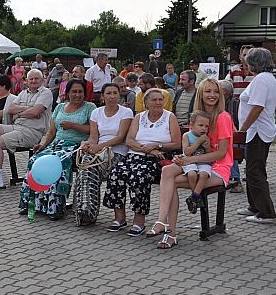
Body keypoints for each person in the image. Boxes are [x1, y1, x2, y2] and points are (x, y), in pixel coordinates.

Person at [151, 78, 234, 248]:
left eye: (216, 91)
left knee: (172, 182)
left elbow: (221, 153)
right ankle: (161, 221)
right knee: (167, 170)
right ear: (201, 94)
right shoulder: (198, 116)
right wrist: (181, 158)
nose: (212, 95)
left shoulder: (223, 117)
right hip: (197, 162)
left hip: (218, 167)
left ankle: (171, 233)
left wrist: (190, 159)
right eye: (208, 91)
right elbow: (190, 145)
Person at [103, 88, 181, 236]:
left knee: (138, 176)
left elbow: (177, 143)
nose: (158, 102)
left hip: (157, 159)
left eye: (160, 99)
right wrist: (148, 149)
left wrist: (157, 145)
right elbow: (129, 140)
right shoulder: (139, 117)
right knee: (116, 173)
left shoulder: (169, 117)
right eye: (154, 100)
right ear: (146, 103)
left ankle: (139, 221)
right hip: (135, 155)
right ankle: (120, 218)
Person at [17, 78, 95, 219]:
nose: (77, 95)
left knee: (58, 162)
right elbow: (51, 131)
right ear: (67, 93)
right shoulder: (60, 107)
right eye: (74, 92)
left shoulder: (90, 107)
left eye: (80, 92)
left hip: (75, 146)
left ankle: (55, 206)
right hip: (56, 144)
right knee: (35, 159)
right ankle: (31, 203)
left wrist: (73, 126)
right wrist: (42, 145)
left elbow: (93, 130)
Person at [0, 69, 53, 190]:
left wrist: (19, 113)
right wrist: (28, 109)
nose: (33, 81)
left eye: (36, 79)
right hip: (17, 126)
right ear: (27, 81)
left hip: (32, 131)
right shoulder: (23, 93)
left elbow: (36, 112)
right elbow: (10, 109)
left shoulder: (46, 93)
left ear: (42, 80)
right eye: (31, 79)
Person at [76, 82, 134, 224]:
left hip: (117, 152)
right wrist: (87, 144)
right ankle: (86, 209)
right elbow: (93, 137)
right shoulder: (96, 112)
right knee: (85, 166)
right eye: (108, 93)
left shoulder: (126, 112)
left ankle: (86, 210)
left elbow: (121, 137)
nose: (112, 96)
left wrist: (99, 147)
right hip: (98, 151)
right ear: (102, 96)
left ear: (119, 95)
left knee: (89, 169)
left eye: (115, 93)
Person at [237, 47, 276, 224]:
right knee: (252, 169)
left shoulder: (261, 80)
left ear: (254, 63)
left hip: (257, 132)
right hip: (257, 131)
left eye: (248, 60)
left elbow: (257, 106)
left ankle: (266, 212)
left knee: (255, 171)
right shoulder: (265, 78)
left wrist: (243, 128)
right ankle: (254, 205)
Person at [180, 111, 212, 212]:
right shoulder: (187, 136)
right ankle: (196, 197)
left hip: (202, 162)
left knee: (203, 175)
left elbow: (208, 153)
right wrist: (198, 142)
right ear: (191, 125)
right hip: (190, 161)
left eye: (206, 126)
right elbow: (187, 152)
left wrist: (207, 146)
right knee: (192, 175)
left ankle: (193, 198)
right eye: (200, 125)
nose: (204, 128)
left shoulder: (206, 138)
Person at [220, 80, 244, 193]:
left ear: (224, 92)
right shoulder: (218, 104)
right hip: (222, 137)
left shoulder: (236, 103)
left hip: (235, 137)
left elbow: (237, 124)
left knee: (231, 148)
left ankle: (236, 180)